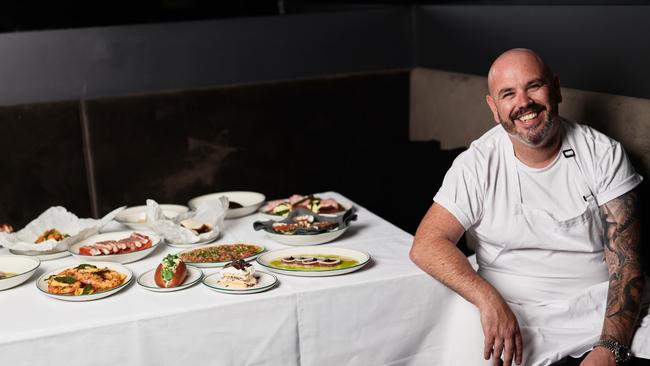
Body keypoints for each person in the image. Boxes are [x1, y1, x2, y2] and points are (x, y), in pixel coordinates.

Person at [410, 48, 648, 366]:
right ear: (494, 108)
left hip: (599, 309)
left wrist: (609, 348)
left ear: (556, 88)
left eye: (534, 86)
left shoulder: (603, 154)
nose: (524, 102)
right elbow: (427, 243)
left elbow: (628, 264)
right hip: (512, 312)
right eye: (508, 93)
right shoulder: (477, 163)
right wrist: (488, 298)